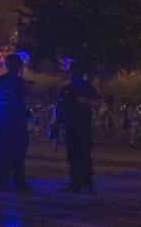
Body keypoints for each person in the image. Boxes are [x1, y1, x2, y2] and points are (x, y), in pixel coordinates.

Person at [55, 59, 101, 193]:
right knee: (77, 154)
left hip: (81, 125)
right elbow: (60, 106)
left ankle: (84, 182)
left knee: (81, 154)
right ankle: (81, 182)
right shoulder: (69, 88)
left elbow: (97, 103)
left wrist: (85, 101)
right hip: (74, 124)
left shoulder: (84, 87)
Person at [0, 53, 33, 193]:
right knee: (18, 156)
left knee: (3, 155)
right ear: (19, 67)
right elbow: (28, 101)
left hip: (3, 124)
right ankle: (19, 184)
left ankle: (2, 184)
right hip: (17, 124)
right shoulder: (20, 83)